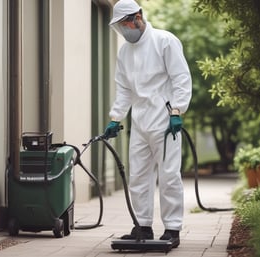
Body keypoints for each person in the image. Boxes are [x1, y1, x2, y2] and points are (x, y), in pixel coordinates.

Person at [104, 0, 192, 248]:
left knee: (169, 175)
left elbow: (181, 78)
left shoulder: (165, 41)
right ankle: (142, 226)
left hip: (165, 121)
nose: (125, 30)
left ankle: (172, 228)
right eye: (120, 26)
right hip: (140, 122)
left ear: (138, 17)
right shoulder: (124, 52)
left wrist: (177, 110)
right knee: (139, 176)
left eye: (126, 24)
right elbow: (124, 90)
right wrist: (115, 117)